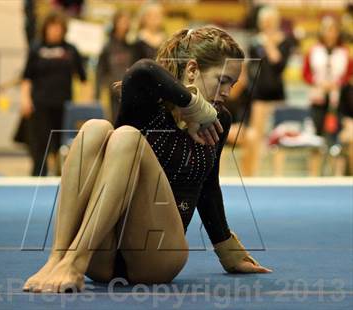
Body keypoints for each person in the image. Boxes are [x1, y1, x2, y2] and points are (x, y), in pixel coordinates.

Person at [22, 25, 272, 294]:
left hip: (157, 256)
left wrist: (228, 251)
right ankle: (58, 258)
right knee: (95, 128)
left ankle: (75, 260)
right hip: (103, 254)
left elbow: (208, 187)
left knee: (127, 136)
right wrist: (193, 106)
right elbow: (142, 70)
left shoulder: (218, 120)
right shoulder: (148, 103)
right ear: (191, 70)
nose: (227, 92)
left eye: (232, 85)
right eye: (222, 81)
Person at [20, 11, 87, 176]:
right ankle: (38, 175)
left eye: (58, 28)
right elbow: (27, 77)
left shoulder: (71, 50)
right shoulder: (36, 48)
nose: (55, 31)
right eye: (52, 27)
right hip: (40, 103)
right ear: (46, 29)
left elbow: (83, 79)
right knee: (40, 143)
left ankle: (62, 176)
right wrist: (25, 100)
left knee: (62, 144)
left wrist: (84, 104)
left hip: (65, 105)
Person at [248, 6, 294, 174]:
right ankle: (254, 172)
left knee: (278, 136)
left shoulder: (285, 41)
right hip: (259, 93)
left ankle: (278, 173)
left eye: (270, 21)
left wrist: (268, 41)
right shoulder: (254, 41)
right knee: (257, 134)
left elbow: (278, 63)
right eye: (264, 22)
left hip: (277, 93)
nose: (266, 25)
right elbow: (252, 65)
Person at [303, 16, 352, 142]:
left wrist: (337, 84)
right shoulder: (313, 50)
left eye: (333, 30)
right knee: (316, 134)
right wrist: (318, 82)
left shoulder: (345, 52)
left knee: (337, 133)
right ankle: (316, 159)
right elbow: (306, 73)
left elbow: (349, 74)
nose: (330, 33)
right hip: (318, 97)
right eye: (327, 29)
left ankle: (337, 159)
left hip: (338, 99)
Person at [95, 9, 136, 122]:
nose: (125, 24)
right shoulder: (107, 47)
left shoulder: (132, 46)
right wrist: (98, 94)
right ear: (115, 23)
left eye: (127, 21)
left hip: (129, 92)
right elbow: (100, 71)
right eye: (122, 21)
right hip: (112, 93)